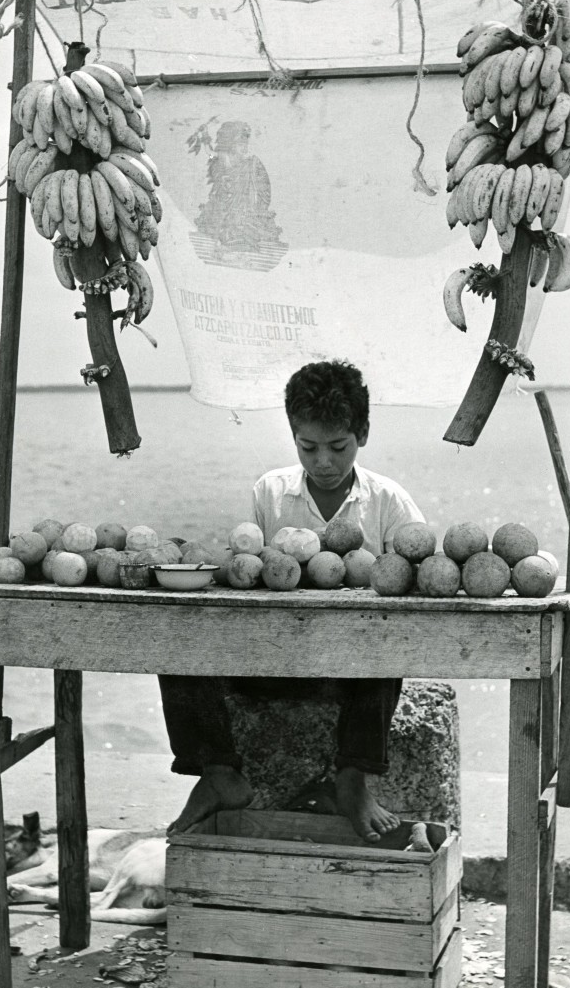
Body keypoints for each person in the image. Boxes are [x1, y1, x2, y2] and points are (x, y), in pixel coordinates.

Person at [159, 359, 426, 843]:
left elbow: (414, 592)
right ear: (293, 435)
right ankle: (218, 770)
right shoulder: (270, 492)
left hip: (350, 674)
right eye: (309, 447)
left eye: (338, 446)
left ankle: (351, 777)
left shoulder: (390, 503)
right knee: (180, 635)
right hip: (273, 661)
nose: (323, 461)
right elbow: (250, 573)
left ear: (362, 434)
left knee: (388, 635)